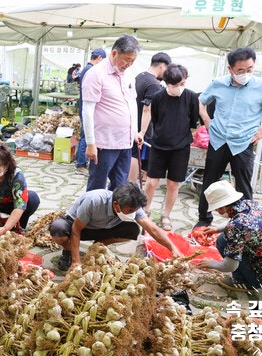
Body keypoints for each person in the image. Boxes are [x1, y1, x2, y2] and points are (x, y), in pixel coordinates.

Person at [195, 47, 262, 229]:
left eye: (250, 69)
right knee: (210, 182)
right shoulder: (218, 84)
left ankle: (245, 224)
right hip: (218, 140)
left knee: (243, 186)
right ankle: (203, 220)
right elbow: (201, 100)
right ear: (230, 69)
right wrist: (206, 119)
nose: (245, 74)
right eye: (240, 70)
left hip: (243, 142)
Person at [196, 180, 262, 297]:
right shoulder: (251, 205)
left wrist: (210, 263)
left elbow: (230, 266)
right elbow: (242, 224)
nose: (217, 211)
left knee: (222, 242)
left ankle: (245, 283)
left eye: (217, 209)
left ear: (222, 207)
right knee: (223, 238)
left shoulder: (236, 227)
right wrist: (217, 229)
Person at [49, 182, 182, 271]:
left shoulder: (132, 205)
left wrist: (173, 248)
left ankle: (96, 247)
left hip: (103, 228)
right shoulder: (94, 201)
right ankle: (68, 252)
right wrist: (76, 261)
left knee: (133, 230)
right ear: (116, 205)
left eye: (135, 210)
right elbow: (76, 230)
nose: (133, 213)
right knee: (57, 229)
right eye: (130, 211)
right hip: (78, 226)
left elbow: (153, 229)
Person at [139, 64, 199, 231]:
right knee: (151, 182)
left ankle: (166, 215)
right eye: (175, 85)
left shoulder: (191, 97)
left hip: (181, 148)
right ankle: (145, 210)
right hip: (159, 145)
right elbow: (156, 119)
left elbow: (193, 123)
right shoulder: (158, 97)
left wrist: (181, 136)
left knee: (173, 184)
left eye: (182, 84)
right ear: (166, 83)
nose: (179, 88)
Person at [82, 34, 141, 192]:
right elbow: (87, 110)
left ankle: (112, 214)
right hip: (104, 142)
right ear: (114, 53)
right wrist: (90, 143)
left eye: (133, 60)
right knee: (97, 185)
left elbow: (132, 103)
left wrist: (134, 130)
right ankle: (92, 215)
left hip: (125, 141)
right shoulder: (96, 74)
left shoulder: (129, 74)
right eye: (127, 59)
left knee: (120, 185)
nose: (129, 64)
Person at [129, 52, 172, 184]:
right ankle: (131, 183)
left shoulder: (139, 76)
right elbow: (147, 108)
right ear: (162, 66)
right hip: (139, 126)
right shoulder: (153, 84)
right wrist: (142, 132)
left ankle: (127, 182)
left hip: (131, 122)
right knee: (135, 154)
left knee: (131, 153)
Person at [75, 48, 106, 177]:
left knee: (84, 135)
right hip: (86, 108)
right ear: (98, 58)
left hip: (84, 106)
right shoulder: (91, 70)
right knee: (85, 137)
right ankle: (80, 164)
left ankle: (82, 162)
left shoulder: (86, 69)